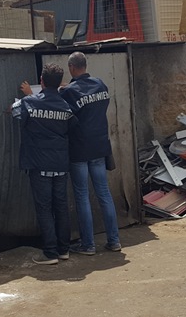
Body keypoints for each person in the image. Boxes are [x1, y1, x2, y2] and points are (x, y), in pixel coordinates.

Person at [12, 63, 77, 265]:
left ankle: (50, 253)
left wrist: (28, 96)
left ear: (41, 81)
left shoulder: (29, 102)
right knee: (61, 207)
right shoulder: (66, 107)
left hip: (39, 164)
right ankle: (63, 250)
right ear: (59, 83)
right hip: (60, 165)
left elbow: (15, 112)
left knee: (44, 208)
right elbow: (72, 127)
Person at [59, 51, 122, 254]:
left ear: (71, 68)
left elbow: (65, 115)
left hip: (79, 149)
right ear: (85, 65)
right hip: (99, 146)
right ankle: (114, 240)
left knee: (82, 195)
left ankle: (88, 244)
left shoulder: (70, 92)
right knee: (103, 192)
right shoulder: (100, 84)